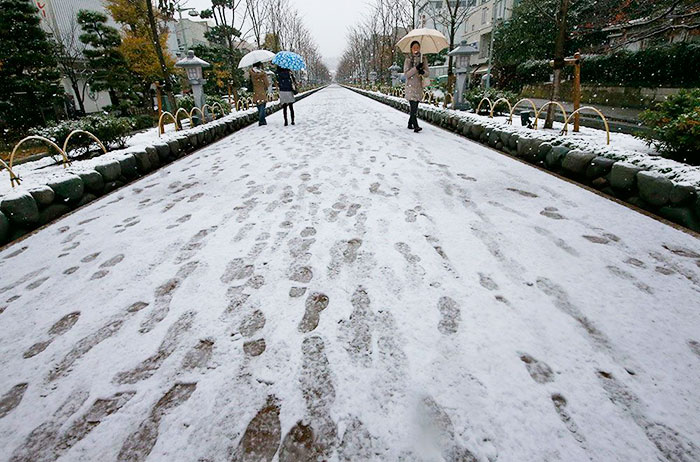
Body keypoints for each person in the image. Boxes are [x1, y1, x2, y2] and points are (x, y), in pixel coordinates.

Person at [404, 41, 429, 133]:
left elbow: (427, 73)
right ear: (411, 49)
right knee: (413, 107)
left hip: (418, 86)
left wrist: (422, 72)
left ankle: (410, 123)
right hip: (410, 86)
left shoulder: (423, 59)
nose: (416, 49)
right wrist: (416, 68)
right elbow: (407, 74)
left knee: (415, 107)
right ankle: (416, 126)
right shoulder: (408, 59)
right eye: (414, 47)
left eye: (417, 47)